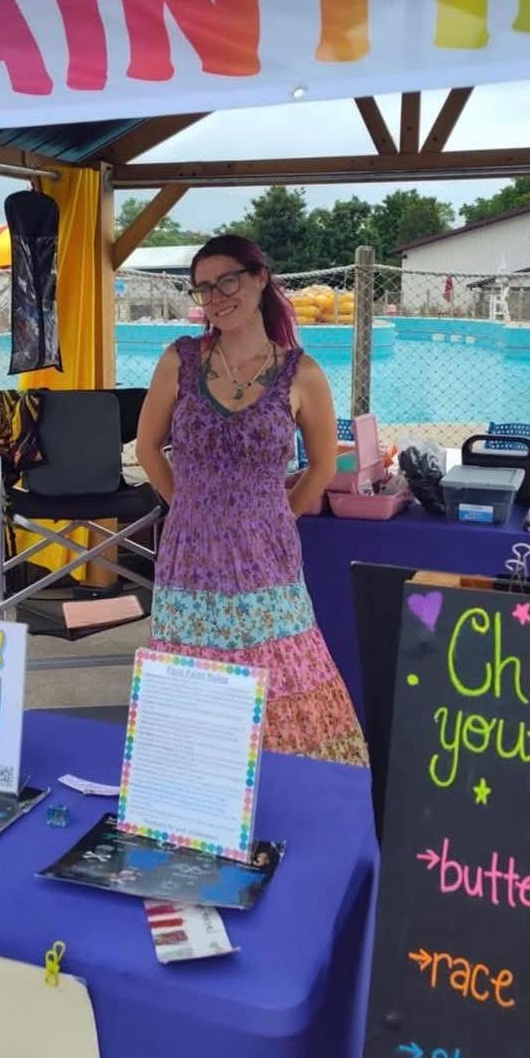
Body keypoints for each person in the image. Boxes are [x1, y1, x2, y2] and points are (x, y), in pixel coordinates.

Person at [136, 235, 369, 767]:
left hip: (267, 556)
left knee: (280, 668)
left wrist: (280, 514)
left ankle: (292, 793)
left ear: (260, 278)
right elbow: (148, 447)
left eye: (228, 281)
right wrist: (187, 506)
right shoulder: (180, 360)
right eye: (204, 288)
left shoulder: (301, 374)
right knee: (191, 673)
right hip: (188, 555)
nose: (217, 297)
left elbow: (323, 466)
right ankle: (193, 792)